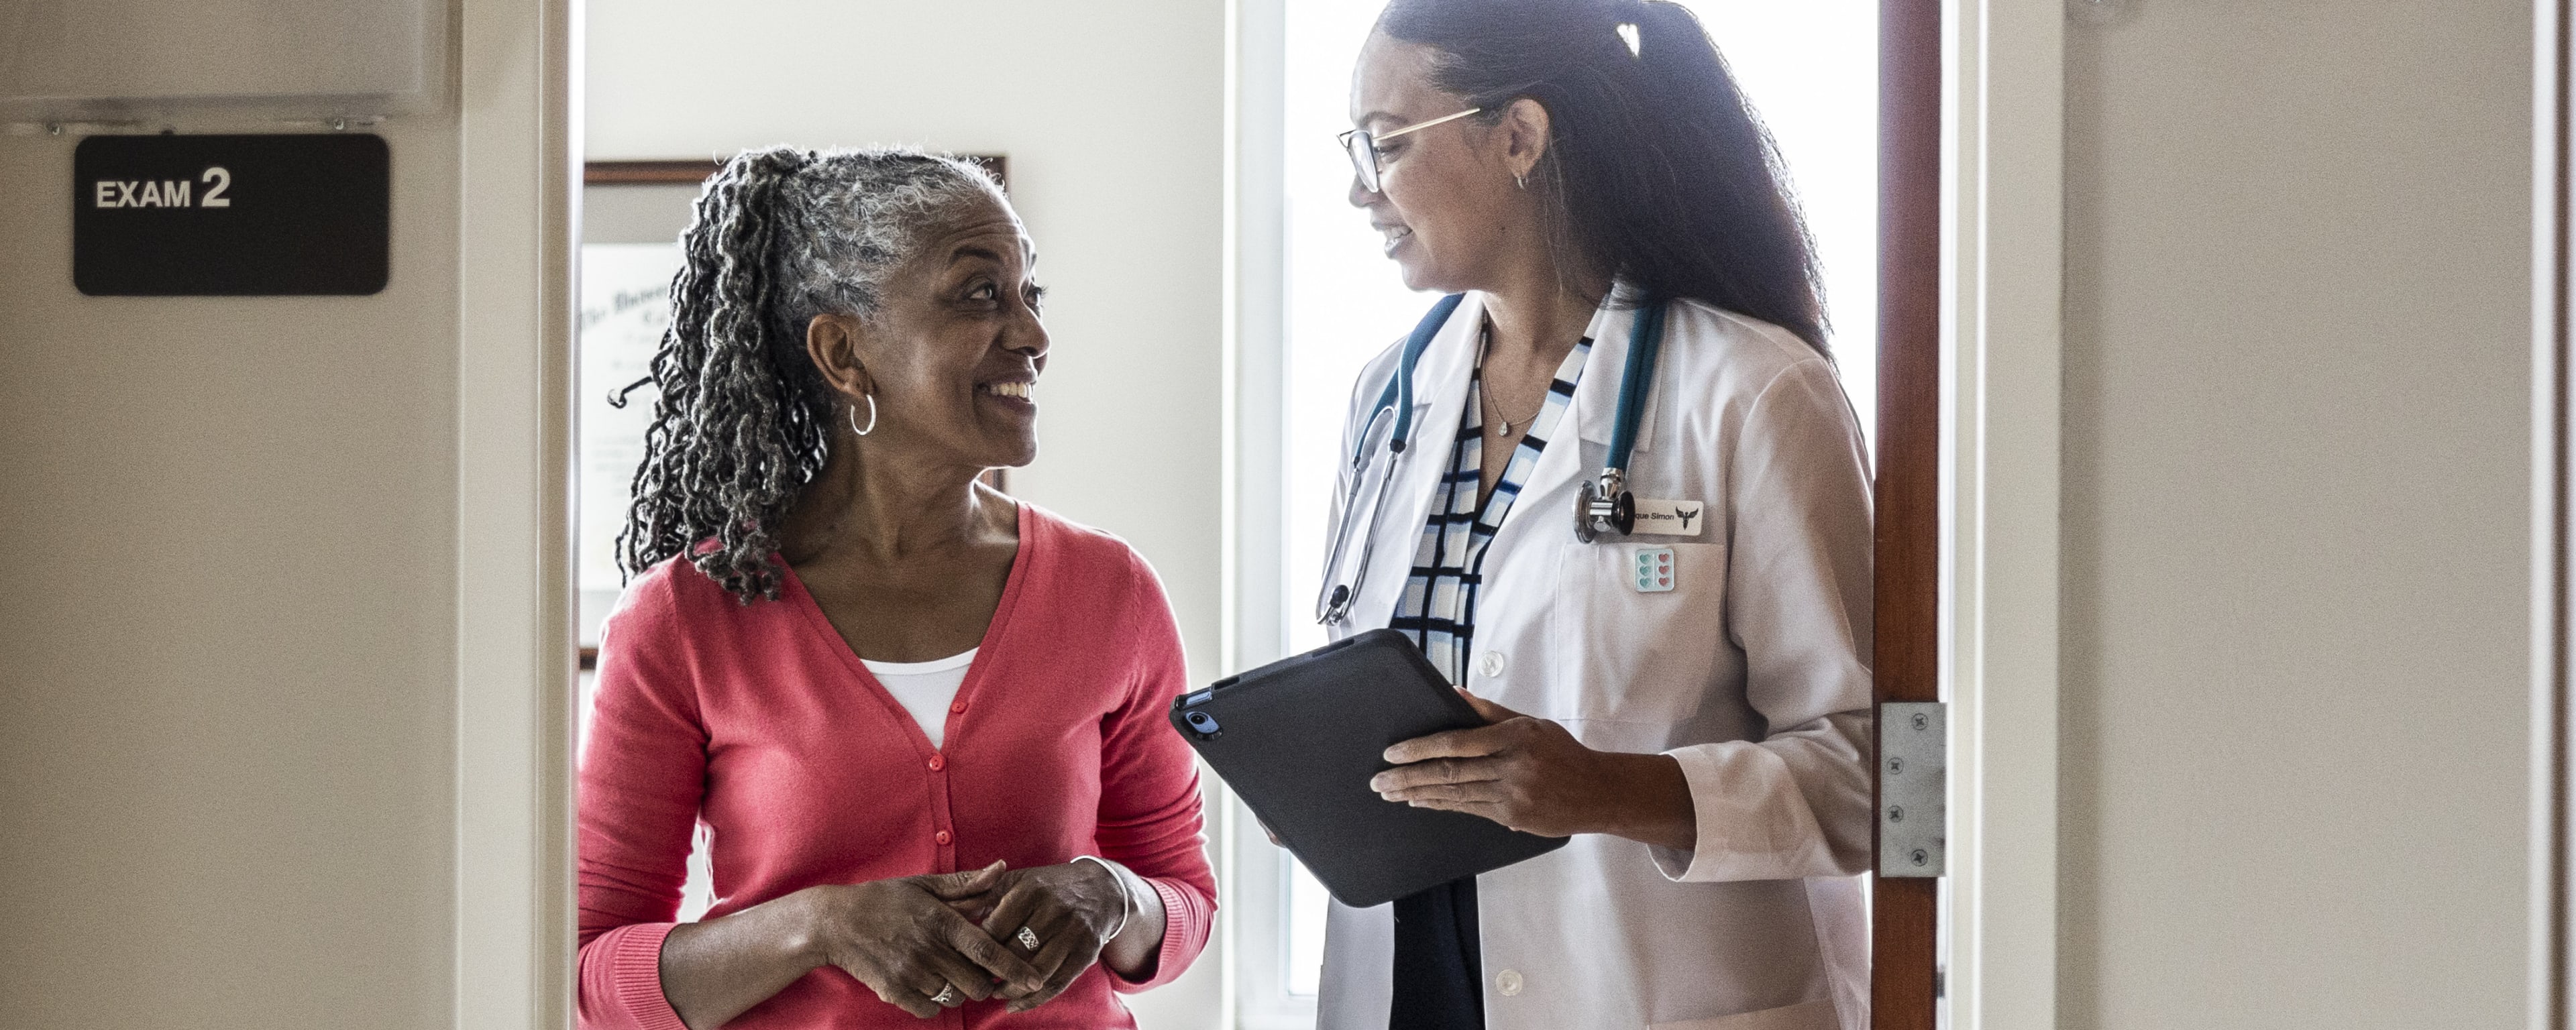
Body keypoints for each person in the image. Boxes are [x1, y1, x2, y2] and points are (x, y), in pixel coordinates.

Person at [1311, 2, 1873, 1029]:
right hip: (1411, 979)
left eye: (1384, 144)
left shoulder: (1751, 393)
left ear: (1518, 137)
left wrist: (1610, 790)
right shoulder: (1388, 397)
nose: (1359, 188)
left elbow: (1874, 775)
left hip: (1644, 989)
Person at [576, 147, 1214, 1030]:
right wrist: (819, 926)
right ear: (844, 352)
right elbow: (589, 969)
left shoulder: (1111, 591)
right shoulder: (683, 620)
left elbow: (1182, 901)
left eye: (1032, 296)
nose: (1032, 334)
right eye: (979, 293)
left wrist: (1109, 894)